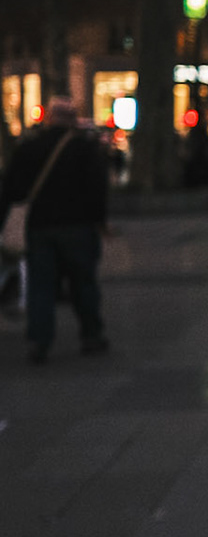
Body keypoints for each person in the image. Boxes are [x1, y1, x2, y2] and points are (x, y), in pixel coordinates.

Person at [1, 97, 110, 364]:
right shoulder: (85, 149)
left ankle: (40, 341)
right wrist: (99, 220)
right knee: (83, 281)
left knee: (41, 286)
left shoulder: (28, 148)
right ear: (73, 119)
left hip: (40, 227)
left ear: (49, 118)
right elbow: (98, 189)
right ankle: (91, 334)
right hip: (78, 226)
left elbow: (11, 189)